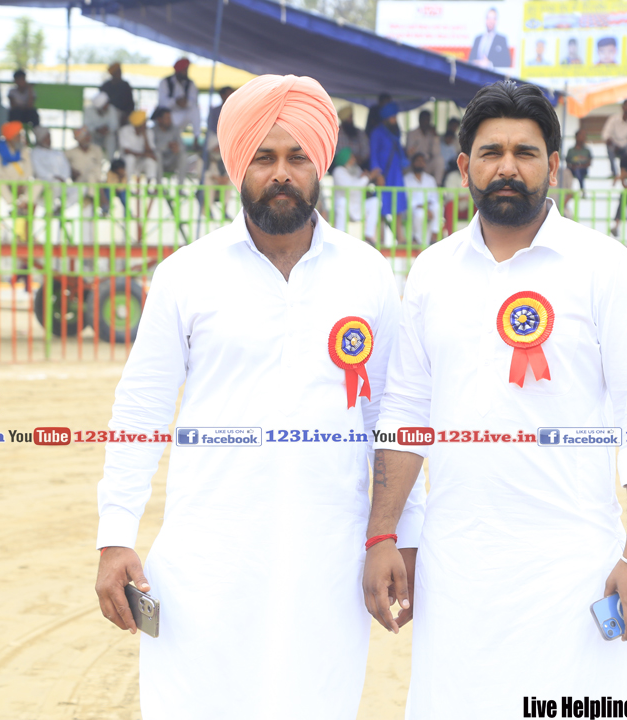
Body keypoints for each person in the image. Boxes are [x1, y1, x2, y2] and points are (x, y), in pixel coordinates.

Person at [94, 72, 424, 720]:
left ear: (320, 164)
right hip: (209, 554)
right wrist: (114, 536)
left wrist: (395, 533)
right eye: (264, 157)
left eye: (297, 157)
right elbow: (142, 408)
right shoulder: (186, 274)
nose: (281, 174)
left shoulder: (367, 273)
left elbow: (391, 415)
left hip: (329, 556)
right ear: (237, 165)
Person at [363, 79, 627, 720]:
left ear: (553, 166)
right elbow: (405, 413)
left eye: (525, 152)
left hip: (572, 563)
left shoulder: (605, 267)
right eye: (491, 152)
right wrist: (386, 534)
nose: (507, 166)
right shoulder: (432, 271)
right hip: (457, 563)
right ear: (464, 167)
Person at [370, 101, 408, 244]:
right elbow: (373, 155)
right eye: (392, 117)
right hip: (384, 175)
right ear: (386, 118)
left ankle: (400, 237)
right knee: (381, 206)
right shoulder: (376, 133)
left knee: (398, 205)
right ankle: (380, 238)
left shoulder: (395, 132)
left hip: (396, 174)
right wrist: (378, 174)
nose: (395, 120)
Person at [330, 146, 381, 242]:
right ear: (346, 159)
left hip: (358, 206)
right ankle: (340, 235)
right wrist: (368, 177)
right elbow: (351, 188)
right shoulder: (338, 171)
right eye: (352, 157)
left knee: (375, 201)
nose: (354, 159)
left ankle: (369, 235)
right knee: (342, 202)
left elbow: (363, 182)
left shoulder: (356, 169)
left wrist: (366, 176)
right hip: (345, 209)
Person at [158, 58, 201, 150]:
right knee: (166, 116)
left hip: (184, 114)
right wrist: (175, 102)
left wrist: (185, 103)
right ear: (178, 70)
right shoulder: (165, 82)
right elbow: (162, 102)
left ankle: (196, 140)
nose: (186, 72)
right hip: (170, 115)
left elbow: (193, 100)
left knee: (195, 109)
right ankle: (173, 142)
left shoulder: (190, 83)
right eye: (184, 70)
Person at [0, 120, 34, 212]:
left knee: (38, 183)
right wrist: (12, 184)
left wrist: (21, 183)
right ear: (10, 137)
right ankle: (14, 205)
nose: (20, 138)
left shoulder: (24, 149)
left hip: (21, 183)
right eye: (18, 136)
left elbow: (29, 169)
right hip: (7, 182)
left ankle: (23, 203)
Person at [404, 152, 441, 244]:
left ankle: (434, 235)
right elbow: (408, 200)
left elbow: (434, 197)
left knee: (437, 206)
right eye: (418, 161)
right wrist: (424, 208)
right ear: (413, 163)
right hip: (413, 209)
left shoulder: (430, 179)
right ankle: (417, 240)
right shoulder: (406, 179)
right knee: (420, 214)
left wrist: (427, 207)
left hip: (428, 206)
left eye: (422, 161)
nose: (420, 163)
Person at [602, 98, 627, 177]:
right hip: (614, 145)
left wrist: (624, 145)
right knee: (609, 147)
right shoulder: (613, 119)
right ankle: (614, 173)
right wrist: (611, 141)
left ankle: (626, 173)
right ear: (623, 107)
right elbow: (605, 134)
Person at [117, 109, 159, 182]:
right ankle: (127, 184)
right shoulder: (125, 131)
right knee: (130, 159)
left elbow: (150, 151)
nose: (146, 123)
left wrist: (145, 136)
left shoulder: (148, 132)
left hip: (141, 160)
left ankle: (149, 186)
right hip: (126, 160)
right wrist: (144, 154)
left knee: (151, 161)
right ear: (139, 123)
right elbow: (127, 151)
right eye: (144, 121)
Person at [406, 110, 444, 184]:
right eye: (424, 119)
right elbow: (409, 153)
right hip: (415, 163)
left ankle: (437, 185)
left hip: (426, 163)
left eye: (427, 120)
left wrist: (435, 136)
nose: (425, 122)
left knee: (439, 160)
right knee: (405, 162)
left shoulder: (432, 134)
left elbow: (436, 153)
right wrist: (419, 159)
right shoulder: (412, 133)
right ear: (419, 120)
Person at [336, 104, 371, 171]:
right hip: (342, 167)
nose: (351, 119)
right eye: (349, 117)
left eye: (351, 117)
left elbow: (366, 150)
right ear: (344, 119)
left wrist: (358, 159)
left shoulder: (360, 133)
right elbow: (337, 154)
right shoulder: (337, 133)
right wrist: (349, 158)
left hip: (360, 166)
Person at [84, 92, 119, 159]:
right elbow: (86, 126)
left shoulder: (112, 109)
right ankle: (94, 160)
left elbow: (114, 125)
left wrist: (107, 129)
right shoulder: (88, 110)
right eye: (105, 105)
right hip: (94, 135)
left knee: (111, 138)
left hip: (107, 135)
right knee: (89, 137)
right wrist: (97, 130)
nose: (107, 106)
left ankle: (110, 160)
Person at [151, 107, 182, 178]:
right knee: (157, 154)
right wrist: (167, 145)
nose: (169, 120)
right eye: (167, 118)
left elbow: (182, 146)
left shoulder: (175, 129)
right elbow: (152, 148)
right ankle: (159, 184)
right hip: (157, 162)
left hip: (172, 161)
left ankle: (181, 184)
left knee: (183, 155)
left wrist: (177, 147)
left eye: (170, 118)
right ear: (159, 119)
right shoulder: (152, 131)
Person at [565, 127, 592, 193]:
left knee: (578, 170)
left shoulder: (587, 150)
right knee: (565, 172)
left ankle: (582, 190)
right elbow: (567, 162)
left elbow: (589, 163)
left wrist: (580, 166)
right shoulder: (571, 150)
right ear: (576, 137)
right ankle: (568, 191)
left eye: (584, 136)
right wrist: (573, 166)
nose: (584, 137)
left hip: (583, 170)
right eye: (582, 136)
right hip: (572, 169)